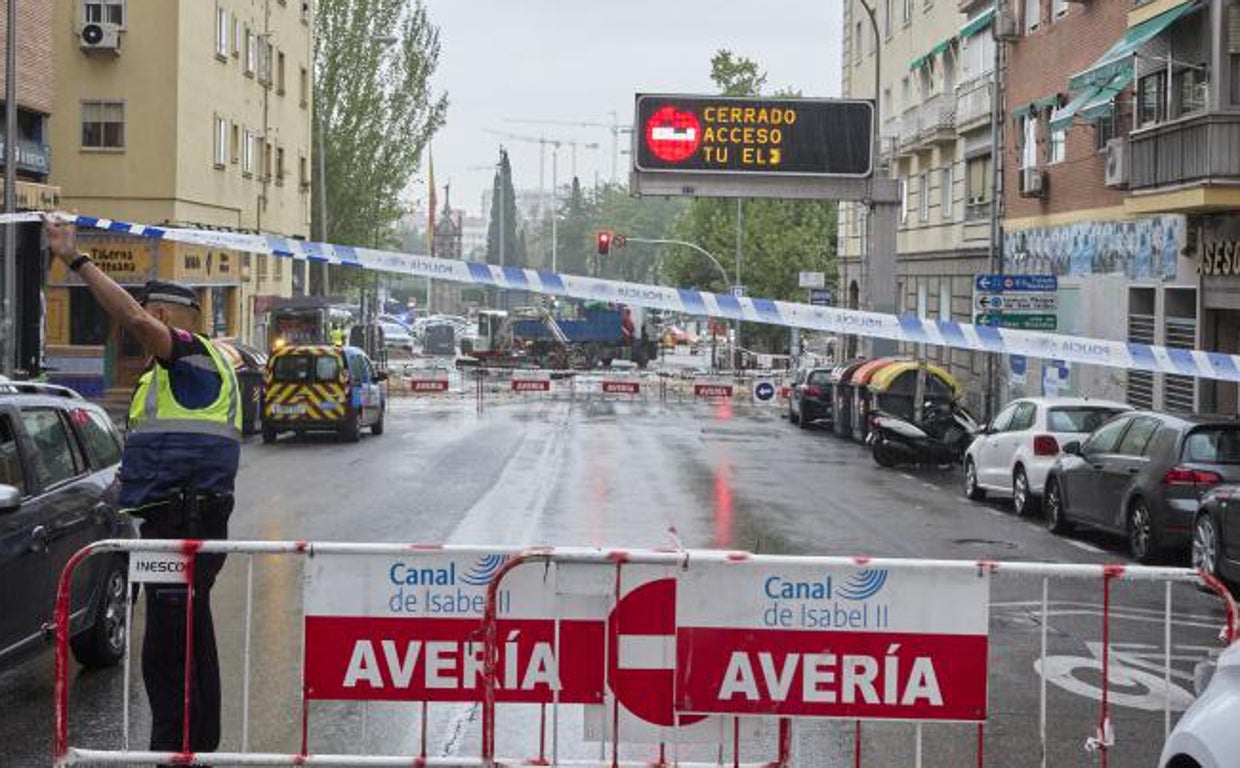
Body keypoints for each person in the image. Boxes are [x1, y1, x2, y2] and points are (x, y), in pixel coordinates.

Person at [43, 215, 241, 762]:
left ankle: (173, 750)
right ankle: (194, 746)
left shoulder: (194, 360)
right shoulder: (166, 376)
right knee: (186, 636)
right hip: (172, 520)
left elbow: (128, 313)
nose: (134, 327)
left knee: (166, 647)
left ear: (161, 316)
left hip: (186, 522)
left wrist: (74, 257)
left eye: (145, 318)